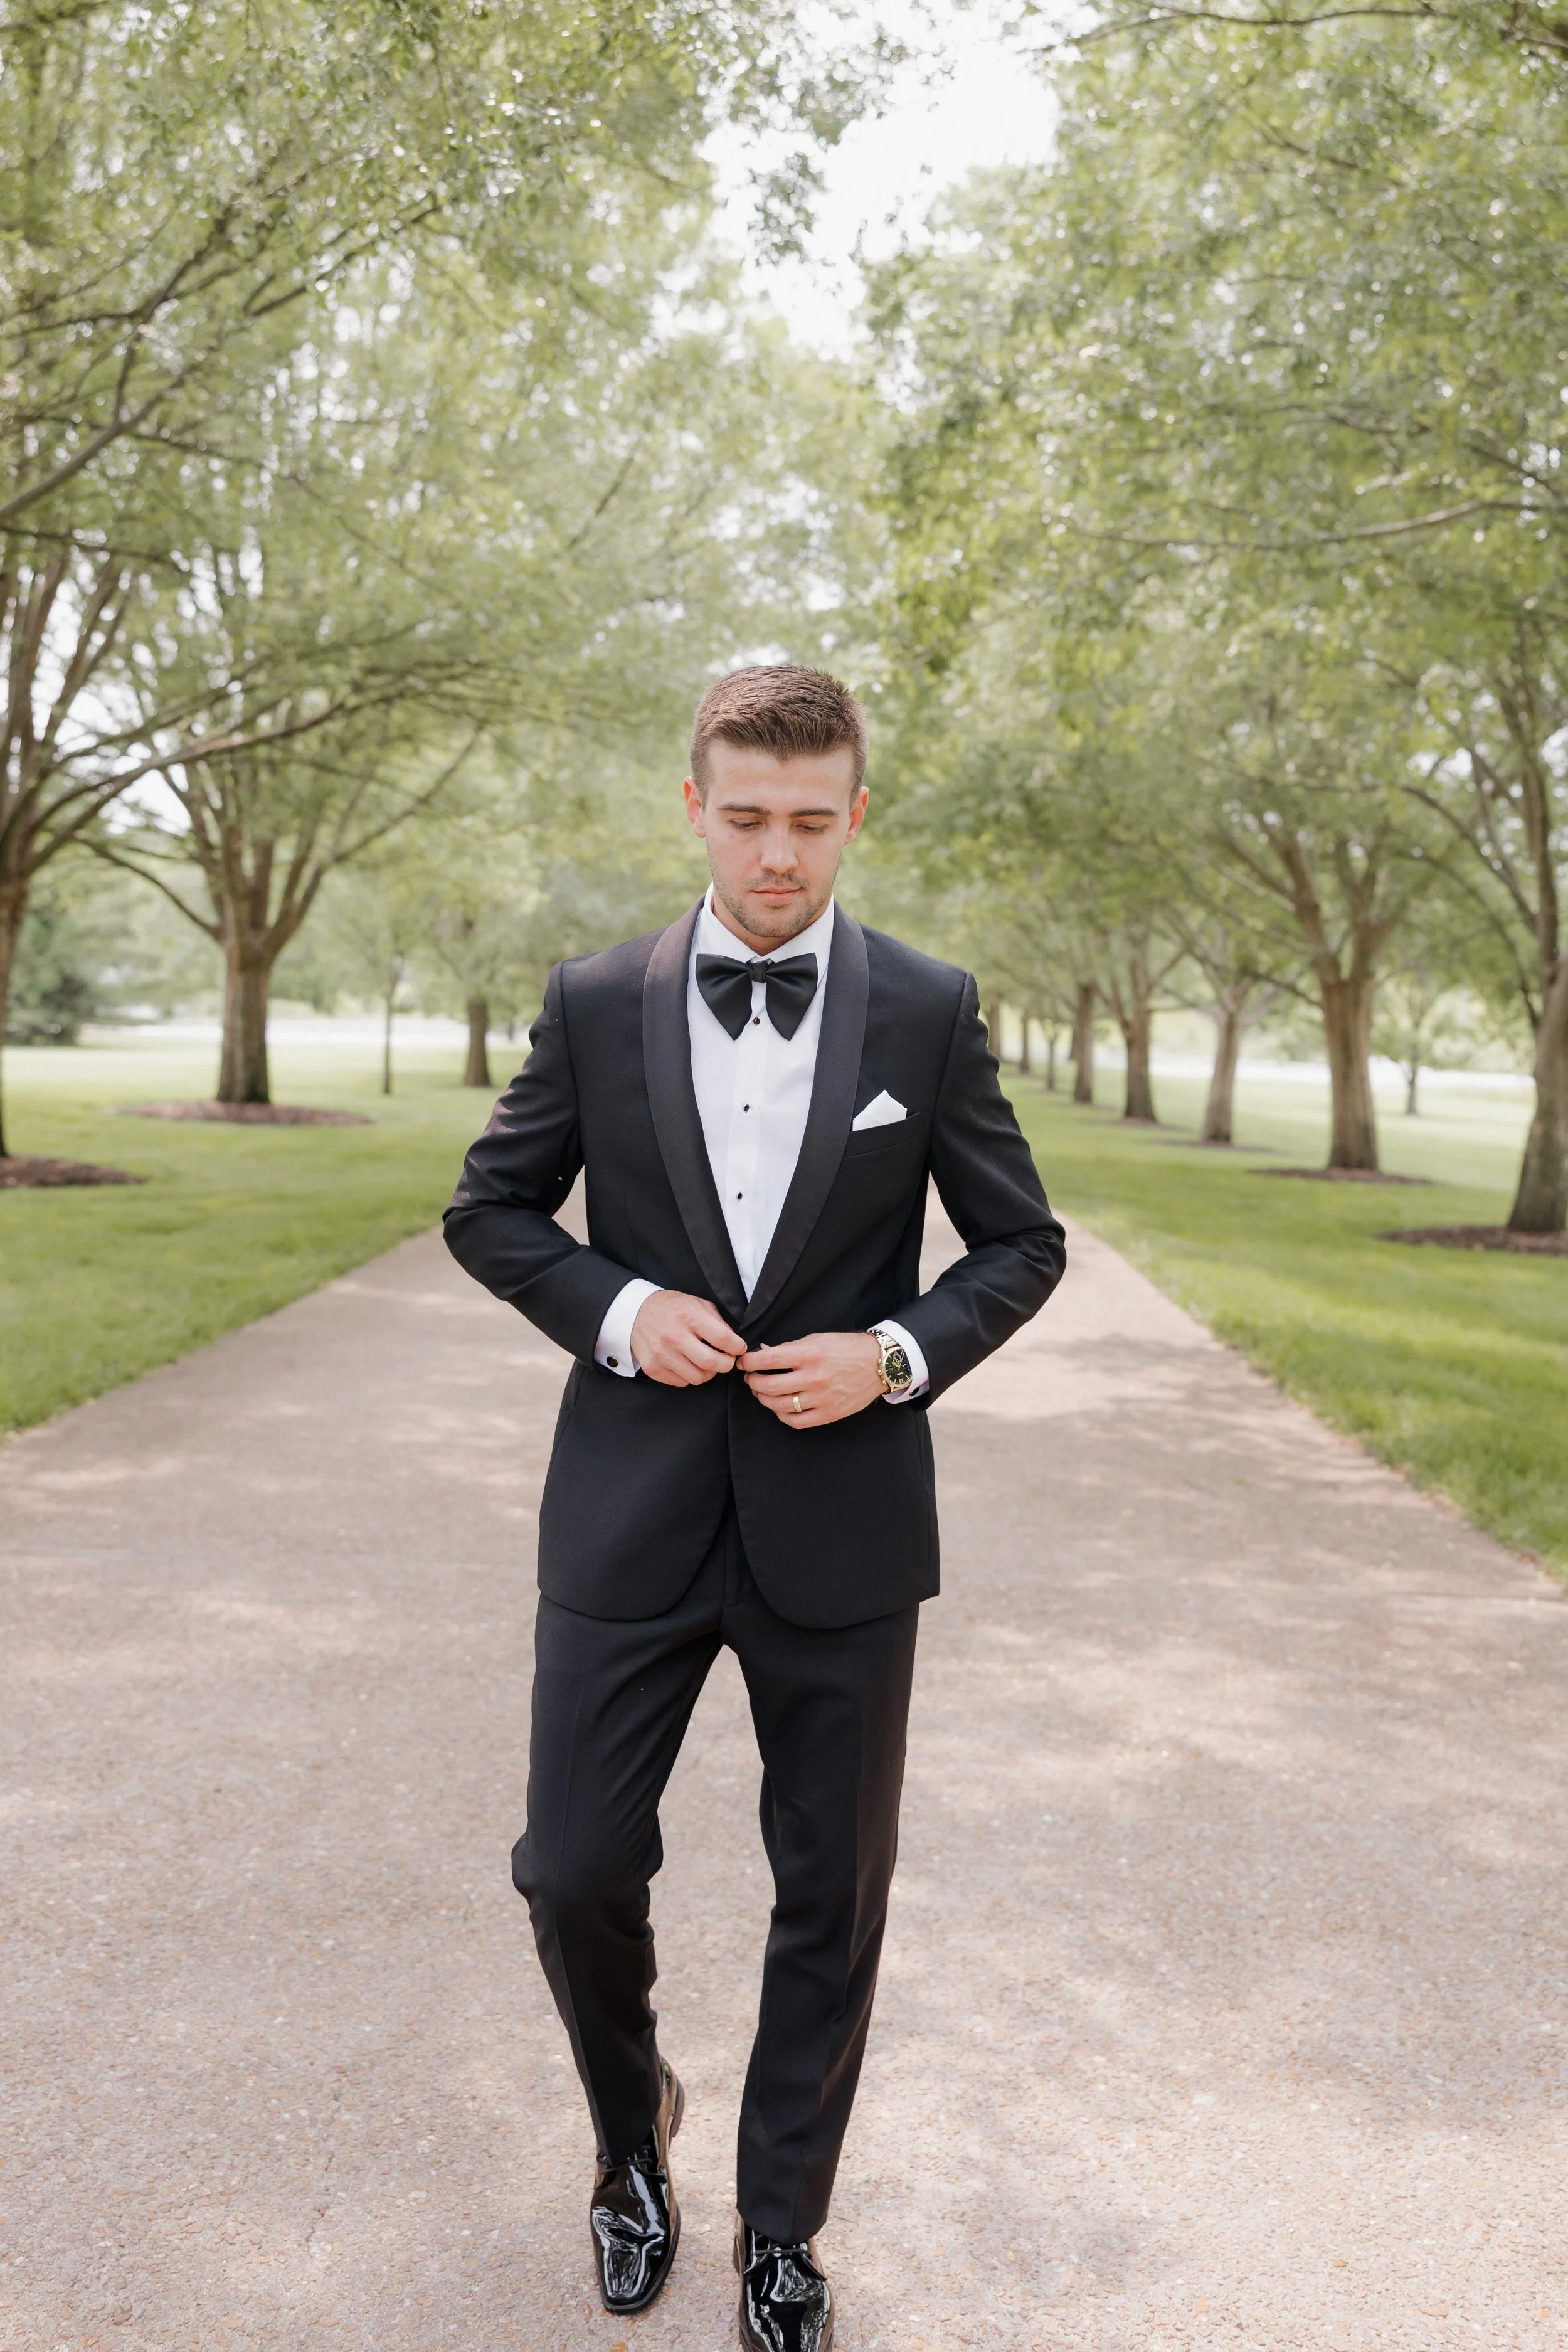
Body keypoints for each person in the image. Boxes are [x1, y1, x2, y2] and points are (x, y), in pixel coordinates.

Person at [443, 664, 1066, 2352]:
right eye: (745, 817)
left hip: (842, 1522)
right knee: (570, 1862)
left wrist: (895, 1350)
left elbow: (1019, 1241)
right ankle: (625, 2124)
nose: (776, 855)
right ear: (694, 805)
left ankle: (780, 2224)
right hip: (626, 1506)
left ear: (855, 812)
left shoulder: (926, 1011)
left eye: (810, 820)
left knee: (827, 1889)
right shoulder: (592, 1000)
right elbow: (490, 1209)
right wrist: (621, 1312)